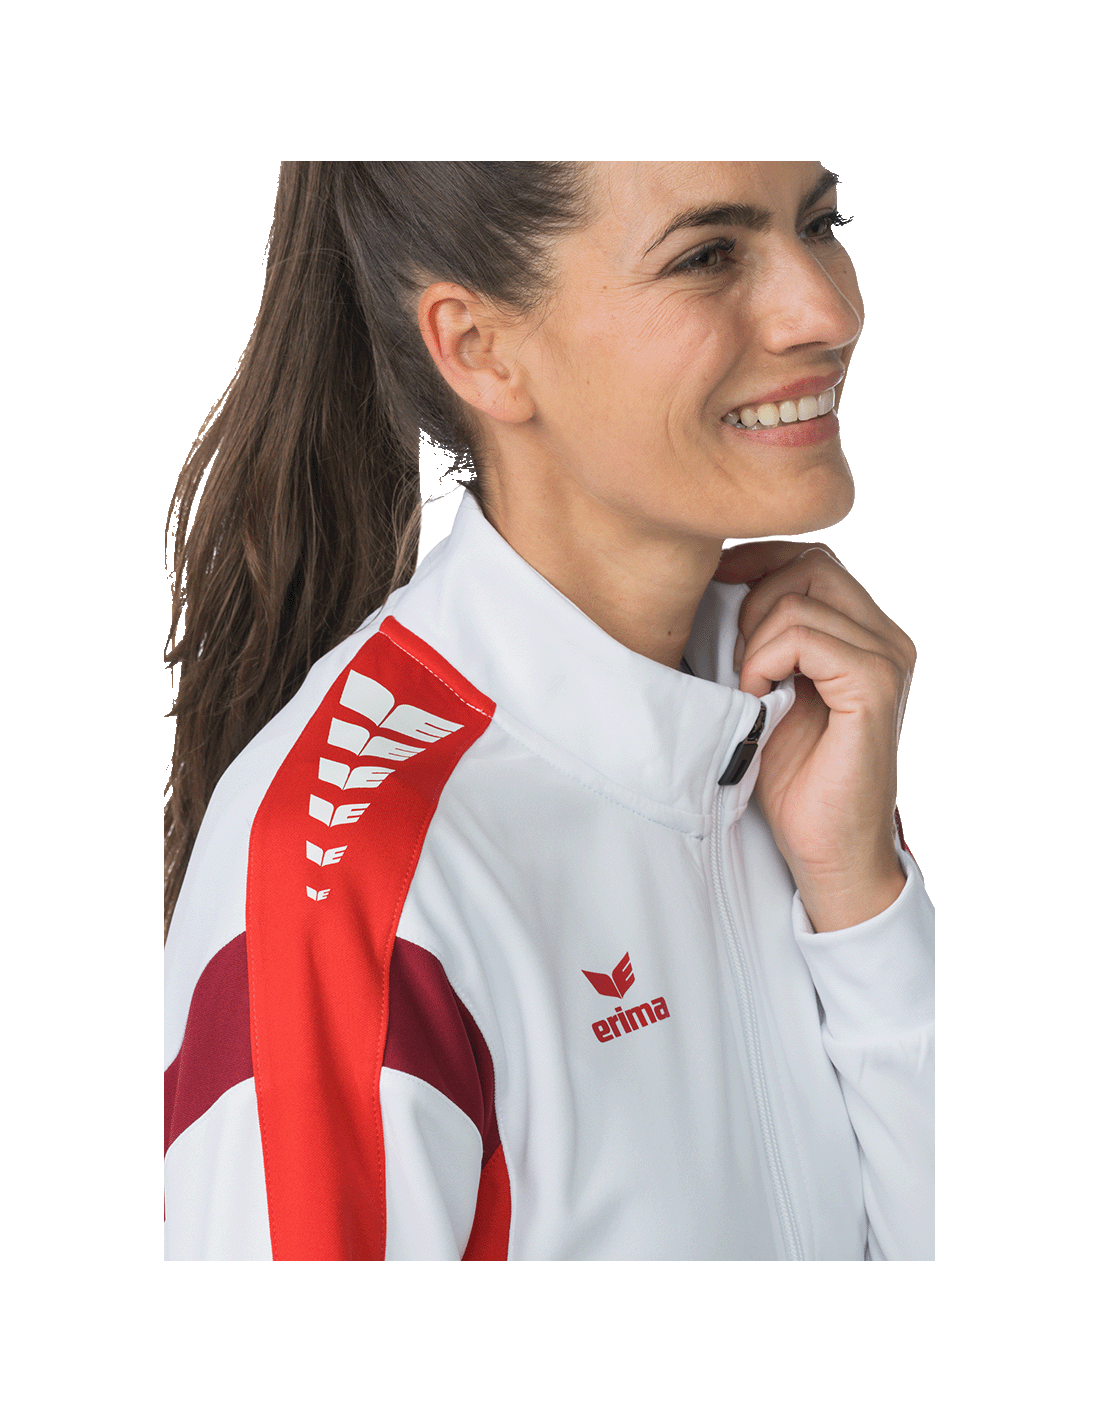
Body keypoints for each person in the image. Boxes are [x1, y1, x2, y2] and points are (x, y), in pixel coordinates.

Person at [163, 161, 934, 1261]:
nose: (826, 310)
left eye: (819, 222)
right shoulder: (351, 877)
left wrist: (862, 902)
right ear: (479, 347)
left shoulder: (784, 730)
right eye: (708, 254)